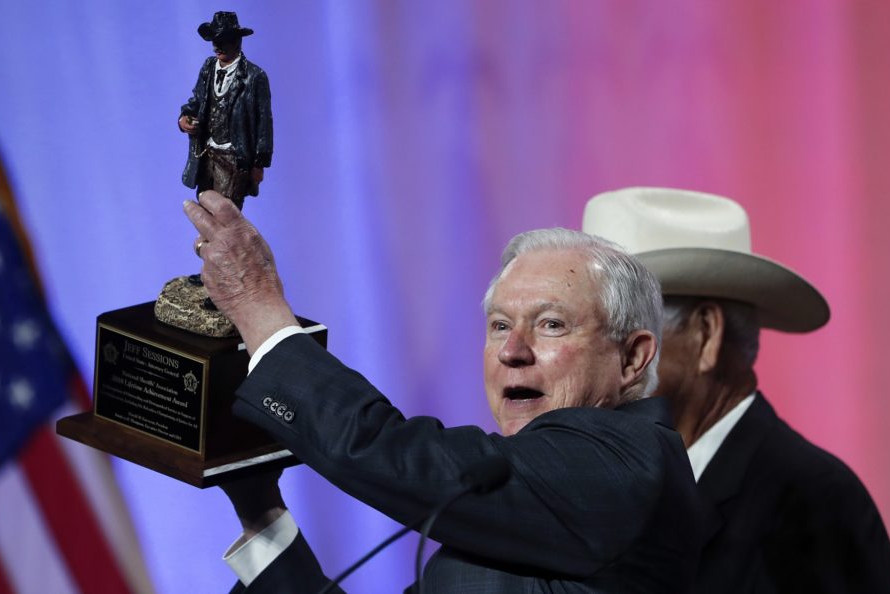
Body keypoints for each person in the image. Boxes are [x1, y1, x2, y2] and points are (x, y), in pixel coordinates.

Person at [183, 191, 703, 593]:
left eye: (551, 325)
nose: (512, 351)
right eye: (500, 326)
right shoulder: (519, 509)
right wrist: (260, 512)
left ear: (632, 358)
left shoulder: (631, 461)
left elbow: (400, 455)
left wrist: (258, 308)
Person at [583, 187, 890, 593]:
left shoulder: (811, 500)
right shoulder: (598, 486)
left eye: (619, 330)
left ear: (705, 334)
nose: (587, 357)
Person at [178, 11, 273, 210]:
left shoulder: (255, 76)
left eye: (223, 41)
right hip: (206, 154)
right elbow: (197, 100)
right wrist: (184, 118)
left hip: (234, 158)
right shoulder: (208, 67)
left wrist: (259, 164)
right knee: (205, 207)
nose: (217, 46)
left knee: (226, 213)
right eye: (215, 40)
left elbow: (264, 123)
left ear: (237, 42)